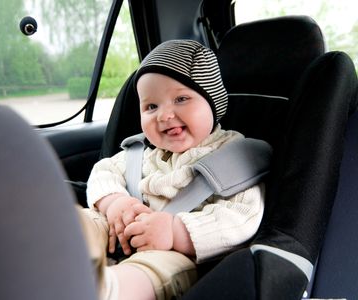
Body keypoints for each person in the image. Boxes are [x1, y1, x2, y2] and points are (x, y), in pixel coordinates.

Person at [79, 39, 265, 300]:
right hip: (122, 229)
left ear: (213, 102)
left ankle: (105, 290)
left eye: (181, 99)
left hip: (177, 253)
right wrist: (115, 203)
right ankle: (48, 248)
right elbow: (105, 171)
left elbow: (241, 216)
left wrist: (175, 232)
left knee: (153, 272)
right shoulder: (143, 152)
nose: (164, 115)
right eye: (151, 106)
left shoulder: (232, 156)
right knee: (87, 220)